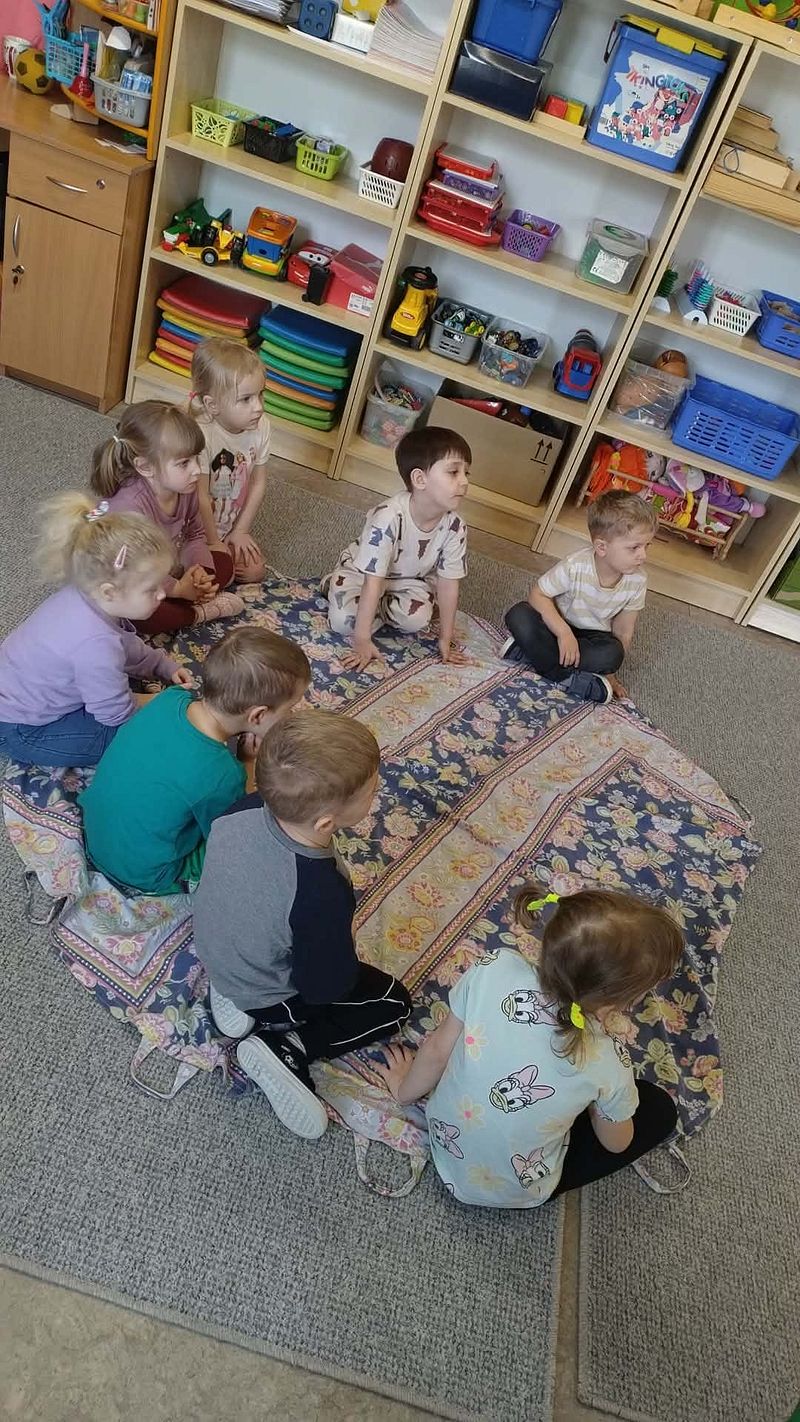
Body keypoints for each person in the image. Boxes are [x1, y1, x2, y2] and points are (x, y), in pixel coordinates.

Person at [374, 887, 681, 1208]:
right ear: (615, 1004)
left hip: (446, 1142)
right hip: (520, 1188)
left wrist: (402, 1091)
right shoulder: (609, 1061)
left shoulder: (494, 967)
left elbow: (437, 1051)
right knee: (658, 1109)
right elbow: (616, 1144)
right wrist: (596, 1104)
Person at [193, 710, 413, 1140]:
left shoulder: (240, 808)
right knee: (394, 1002)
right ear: (325, 823)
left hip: (218, 950)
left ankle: (232, 990)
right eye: (371, 790)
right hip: (269, 993)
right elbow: (324, 988)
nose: (378, 791)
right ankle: (288, 1047)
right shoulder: (320, 891)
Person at [79, 627, 310, 895]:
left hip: (96, 832)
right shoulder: (223, 774)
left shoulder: (171, 697)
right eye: (290, 708)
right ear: (257, 715)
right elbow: (231, 829)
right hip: (144, 873)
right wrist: (248, 762)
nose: (293, 714)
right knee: (251, 847)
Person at [0, 493, 192, 768]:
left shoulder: (87, 596)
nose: (162, 594)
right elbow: (115, 714)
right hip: (21, 729)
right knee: (130, 736)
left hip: (21, 689)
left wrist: (162, 665)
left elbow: (126, 643)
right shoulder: (95, 644)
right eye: (152, 589)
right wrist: (160, 701)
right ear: (109, 592)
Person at [91, 400, 244, 634]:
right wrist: (178, 589)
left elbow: (195, 534)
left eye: (196, 458)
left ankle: (190, 600)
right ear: (145, 467)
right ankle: (197, 613)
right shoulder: (130, 508)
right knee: (143, 616)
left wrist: (198, 570)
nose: (197, 470)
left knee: (222, 563)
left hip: (165, 568)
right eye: (184, 463)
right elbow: (134, 571)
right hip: (129, 577)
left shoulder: (186, 488)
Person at [325, 426, 471, 671]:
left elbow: (448, 584)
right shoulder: (388, 517)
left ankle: (375, 608)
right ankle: (333, 584)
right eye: (454, 472)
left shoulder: (455, 527)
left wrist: (445, 638)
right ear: (420, 479)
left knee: (417, 620)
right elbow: (373, 581)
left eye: (467, 472)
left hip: (409, 580)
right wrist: (362, 639)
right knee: (342, 622)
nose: (465, 481)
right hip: (363, 575)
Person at [502, 491, 657, 703]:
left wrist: (609, 673)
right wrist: (563, 633)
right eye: (634, 548)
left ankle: (533, 655)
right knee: (519, 615)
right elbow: (538, 594)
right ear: (601, 547)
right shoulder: (575, 565)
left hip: (592, 638)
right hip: (557, 626)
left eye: (647, 546)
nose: (643, 556)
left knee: (613, 654)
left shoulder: (638, 581)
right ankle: (568, 678)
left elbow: (623, 631)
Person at [190, 337, 270, 584]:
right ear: (213, 405)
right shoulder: (201, 434)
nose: (258, 407)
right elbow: (200, 496)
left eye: (260, 395)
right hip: (194, 529)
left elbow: (258, 483)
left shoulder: (262, 427)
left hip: (227, 525)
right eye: (246, 399)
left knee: (255, 571)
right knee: (216, 577)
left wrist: (240, 531)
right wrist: (214, 542)